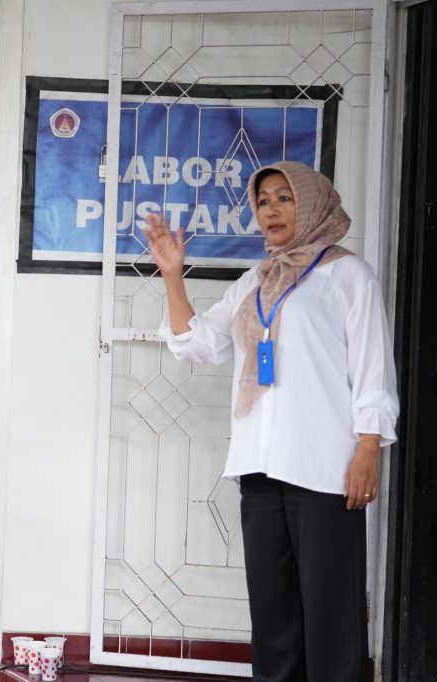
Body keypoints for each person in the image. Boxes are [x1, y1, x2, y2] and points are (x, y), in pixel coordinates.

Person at [146, 161, 399, 681]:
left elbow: (373, 368)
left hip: (325, 469)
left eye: (285, 197)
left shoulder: (349, 275)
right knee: (273, 619)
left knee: (332, 618)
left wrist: (368, 447)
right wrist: (172, 276)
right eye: (263, 201)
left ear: (312, 202)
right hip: (259, 467)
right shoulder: (254, 282)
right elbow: (198, 344)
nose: (272, 210)